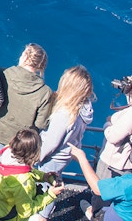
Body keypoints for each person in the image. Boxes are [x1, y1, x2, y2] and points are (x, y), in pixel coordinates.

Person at [34, 65, 94, 221]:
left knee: (46, 188)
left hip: (52, 158)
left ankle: (42, 216)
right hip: (65, 155)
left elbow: (51, 143)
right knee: (54, 181)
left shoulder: (65, 114)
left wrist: (35, 157)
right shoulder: (84, 108)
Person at [0, 43, 53, 176]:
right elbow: (41, 124)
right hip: (21, 139)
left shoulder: (3, 74)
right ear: (41, 65)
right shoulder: (45, 92)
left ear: (23, 57)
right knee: (14, 166)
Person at [87, 73, 132, 219]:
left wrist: (108, 124)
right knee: (123, 196)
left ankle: (96, 213)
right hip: (131, 162)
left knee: (102, 192)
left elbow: (113, 137)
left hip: (115, 162)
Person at [0, 129, 64, 221]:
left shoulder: (6, 156)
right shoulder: (23, 182)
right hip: (12, 217)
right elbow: (26, 212)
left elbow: (22, 170)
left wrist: (44, 176)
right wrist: (51, 195)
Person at [68, 143, 132, 221]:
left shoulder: (131, 182)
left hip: (115, 217)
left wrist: (81, 158)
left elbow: (98, 189)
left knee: (96, 212)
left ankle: (91, 215)